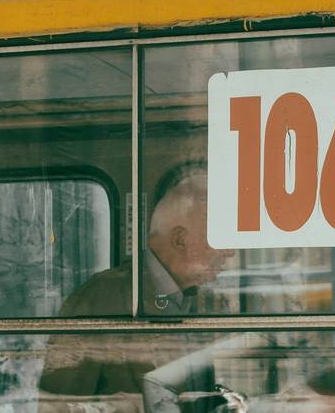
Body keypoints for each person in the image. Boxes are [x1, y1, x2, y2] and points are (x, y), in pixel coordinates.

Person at [40, 164, 234, 396]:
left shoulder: (203, 303)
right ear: (181, 240)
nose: (230, 252)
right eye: (219, 238)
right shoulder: (100, 299)